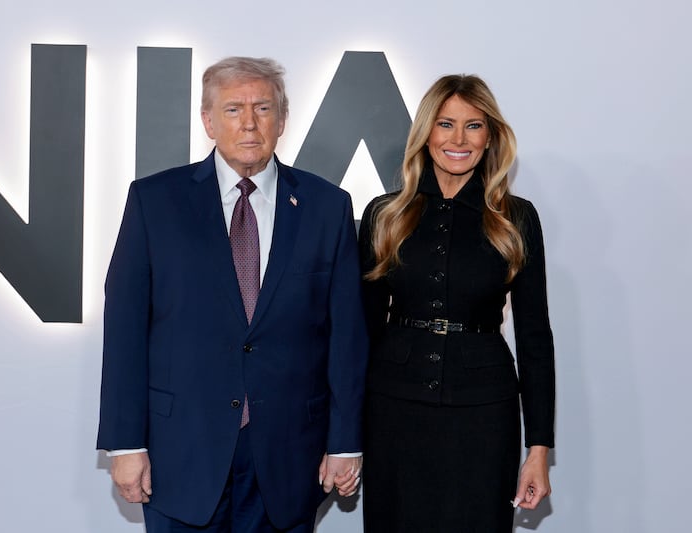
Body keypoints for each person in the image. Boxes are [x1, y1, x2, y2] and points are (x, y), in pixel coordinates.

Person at [97, 56, 368, 533]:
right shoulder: (154, 201)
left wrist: (345, 442)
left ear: (282, 120)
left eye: (262, 108)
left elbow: (347, 335)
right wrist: (124, 443)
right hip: (179, 453)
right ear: (207, 120)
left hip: (288, 455)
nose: (249, 123)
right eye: (232, 109)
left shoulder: (328, 207)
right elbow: (124, 329)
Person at [358, 74, 555, 532]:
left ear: (490, 137)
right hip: (394, 411)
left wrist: (539, 449)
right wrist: (343, 437)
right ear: (427, 132)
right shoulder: (384, 214)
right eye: (446, 124)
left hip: (484, 414)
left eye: (473, 125)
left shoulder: (516, 218)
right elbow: (361, 330)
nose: (458, 139)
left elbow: (534, 336)